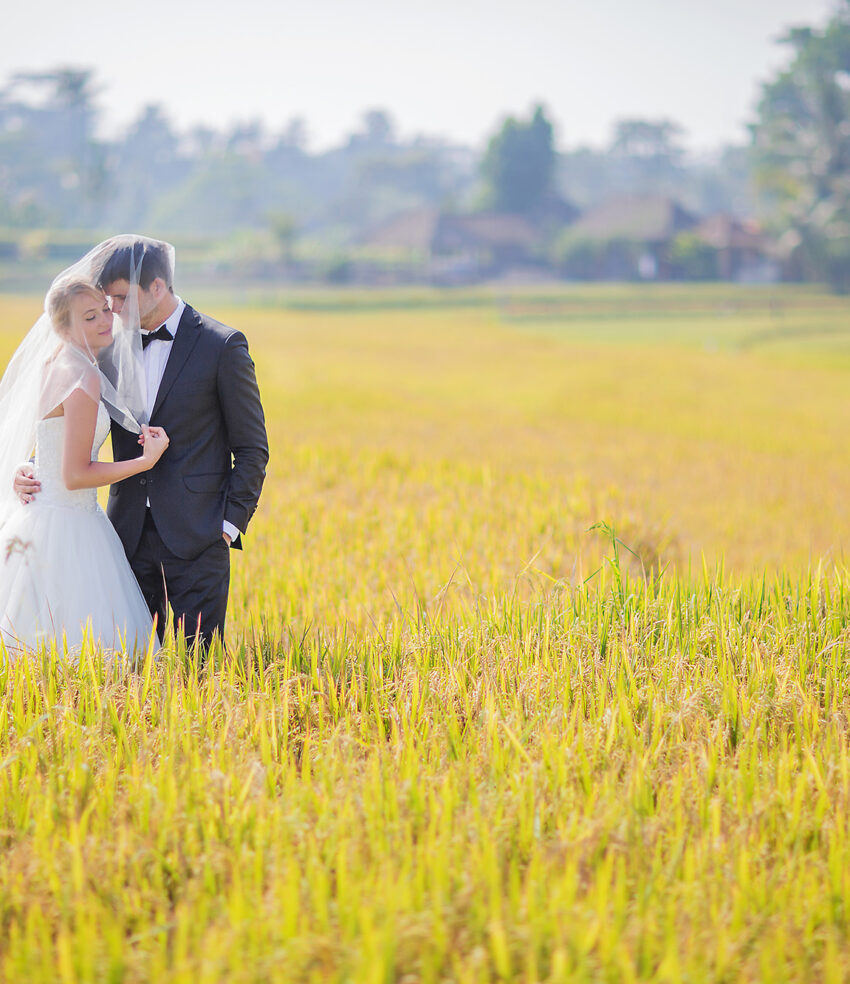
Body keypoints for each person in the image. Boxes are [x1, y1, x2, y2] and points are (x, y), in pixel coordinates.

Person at [15, 236, 269, 650]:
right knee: (130, 664)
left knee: (196, 668)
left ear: (157, 287)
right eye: (107, 300)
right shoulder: (102, 348)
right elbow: (59, 415)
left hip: (198, 536)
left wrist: (226, 527)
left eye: (120, 298)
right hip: (123, 537)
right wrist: (28, 465)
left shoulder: (221, 346)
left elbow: (253, 448)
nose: (111, 309)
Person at [0, 268, 169, 654]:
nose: (105, 321)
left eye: (105, 310)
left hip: (39, 516)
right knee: (81, 644)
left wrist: (22, 466)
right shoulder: (82, 376)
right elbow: (75, 474)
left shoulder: (52, 365)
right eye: (90, 317)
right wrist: (145, 461)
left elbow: (42, 442)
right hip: (69, 523)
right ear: (61, 328)